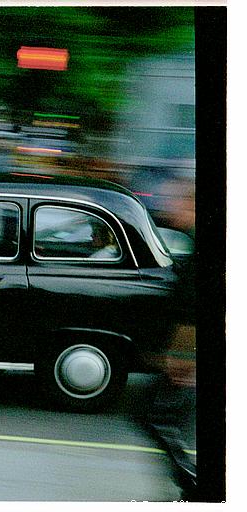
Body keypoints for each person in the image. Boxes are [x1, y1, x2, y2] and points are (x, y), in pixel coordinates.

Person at [140, 187, 197, 501]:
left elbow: (192, 309)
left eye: (182, 200)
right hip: (186, 352)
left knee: (158, 417)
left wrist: (180, 355)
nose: (173, 206)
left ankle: (194, 484)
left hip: (187, 354)